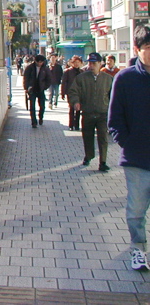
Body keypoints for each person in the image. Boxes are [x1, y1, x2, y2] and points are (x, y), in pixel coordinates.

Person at [108, 24, 150, 271]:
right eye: (148, 47)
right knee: (136, 210)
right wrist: (129, 143)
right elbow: (115, 119)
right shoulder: (125, 78)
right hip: (136, 159)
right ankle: (138, 250)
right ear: (137, 49)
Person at [68, 52, 113, 171]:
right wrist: (76, 102)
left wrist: (112, 110)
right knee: (87, 137)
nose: (91, 66)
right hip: (87, 112)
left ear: (100, 63)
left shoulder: (108, 79)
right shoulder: (81, 78)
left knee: (103, 138)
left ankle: (103, 162)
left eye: (94, 63)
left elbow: (113, 96)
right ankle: (89, 155)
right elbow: (73, 91)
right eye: (90, 63)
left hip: (102, 113)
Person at [22, 54, 51, 128]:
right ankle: (34, 122)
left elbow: (49, 79)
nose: (40, 63)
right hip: (32, 89)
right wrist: (26, 88)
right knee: (32, 106)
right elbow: (26, 78)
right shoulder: (30, 68)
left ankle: (41, 117)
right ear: (35, 61)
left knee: (42, 106)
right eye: (38, 62)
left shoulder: (45, 68)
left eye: (41, 62)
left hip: (41, 89)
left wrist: (45, 87)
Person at [61, 55, 83, 131]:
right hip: (70, 92)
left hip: (80, 93)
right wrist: (63, 93)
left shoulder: (82, 72)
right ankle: (71, 125)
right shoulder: (68, 71)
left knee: (78, 109)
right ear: (72, 63)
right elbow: (64, 83)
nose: (76, 64)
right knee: (71, 108)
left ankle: (77, 125)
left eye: (78, 62)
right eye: (75, 62)